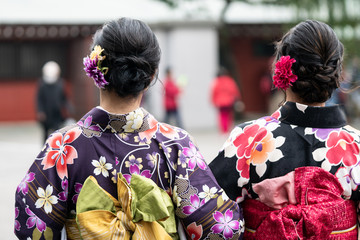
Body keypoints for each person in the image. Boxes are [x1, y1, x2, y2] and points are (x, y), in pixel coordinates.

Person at [15, 18, 244, 239]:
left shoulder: (62, 146)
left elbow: (30, 223)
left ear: (96, 71)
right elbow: (219, 230)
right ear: (152, 74)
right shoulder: (175, 144)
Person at [209, 20, 359, 239]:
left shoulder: (249, 139)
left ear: (282, 70)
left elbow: (209, 211)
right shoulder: (355, 145)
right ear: (336, 75)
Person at [36, 61, 69, 143]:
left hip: (57, 113)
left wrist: (68, 107)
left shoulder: (60, 83)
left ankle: (55, 149)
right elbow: (39, 99)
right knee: (45, 133)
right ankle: (45, 150)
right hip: (46, 113)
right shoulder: (42, 84)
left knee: (57, 133)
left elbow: (64, 98)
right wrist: (40, 111)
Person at [210, 67, 241, 135]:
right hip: (229, 101)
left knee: (222, 116)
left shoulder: (216, 81)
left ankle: (223, 131)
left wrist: (213, 101)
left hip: (220, 102)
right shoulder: (230, 80)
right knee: (229, 116)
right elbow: (234, 91)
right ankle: (227, 129)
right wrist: (237, 99)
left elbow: (213, 92)